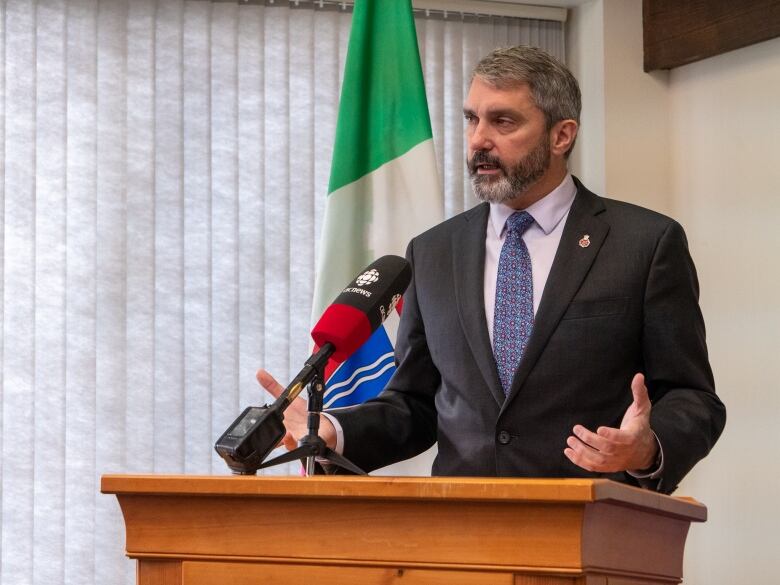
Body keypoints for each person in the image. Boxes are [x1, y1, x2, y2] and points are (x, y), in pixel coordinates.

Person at [258, 46, 725, 494]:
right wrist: (332, 430)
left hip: (594, 529)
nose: (480, 139)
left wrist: (647, 447)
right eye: (472, 119)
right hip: (463, 532)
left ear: (561, 135)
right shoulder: (434, 251)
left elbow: (693, 397)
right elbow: (416, 404)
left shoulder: (643, 244)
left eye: (503, 121)